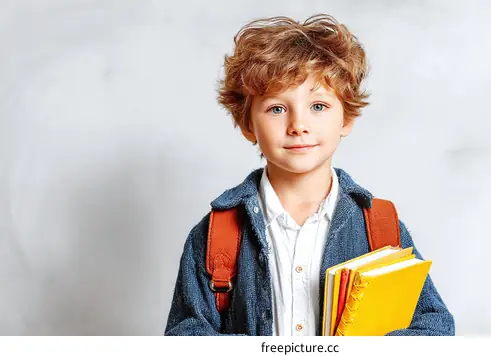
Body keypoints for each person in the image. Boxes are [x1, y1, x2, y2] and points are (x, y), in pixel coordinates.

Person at [164, 13, 455, 336]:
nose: (298, 125)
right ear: (248, 125)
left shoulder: (380, 228)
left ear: (347, 118)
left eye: (318, 106)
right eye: (277, 108)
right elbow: (185, 334)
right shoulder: (217, 233)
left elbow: (434, 326)